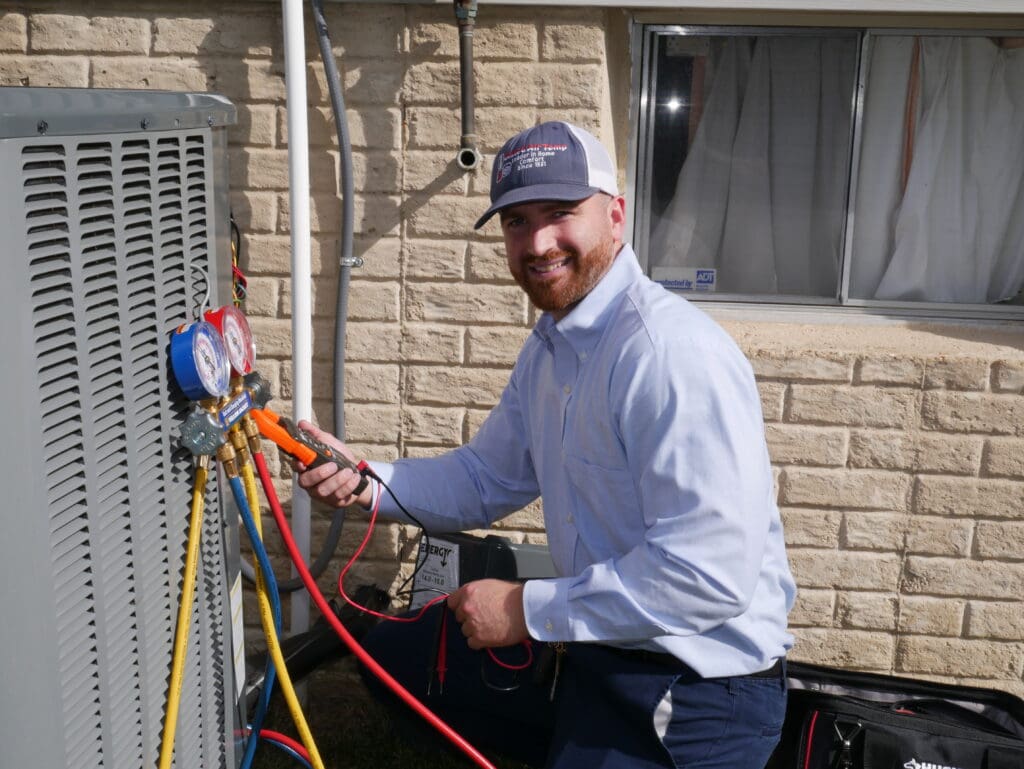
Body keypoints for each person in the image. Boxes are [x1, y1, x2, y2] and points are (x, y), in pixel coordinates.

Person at [297, 120, 796, 769]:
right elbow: (485, 477)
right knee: (401, 661)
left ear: (615, 217)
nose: (537, 242)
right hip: (603, 647)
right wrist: (366, 481)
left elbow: (705, 574)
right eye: (516, 221)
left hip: (695, 689)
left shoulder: (668, 355)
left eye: (561, 213)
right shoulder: (554, 348)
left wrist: (526, 609)